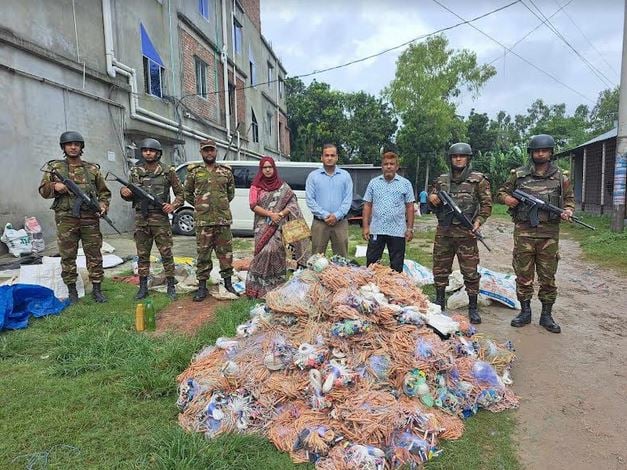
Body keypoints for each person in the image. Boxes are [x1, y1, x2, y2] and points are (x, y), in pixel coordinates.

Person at [498, 134, 575, 333]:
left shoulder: (561, 177)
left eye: (544, 150)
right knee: (523, 274)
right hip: (524, 232)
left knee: (548, 276)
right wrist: (508, 200)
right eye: (536, 151)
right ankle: (525, 312)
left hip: (549, 235)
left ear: (551, 153)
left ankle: (546, 316)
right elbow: (502, 192)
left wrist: (568, 211)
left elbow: (569, 200)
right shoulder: (519, 174)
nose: (540, 154)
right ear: (531, 153)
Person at [39, 131, 111, 304]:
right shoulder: (55, 168)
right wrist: (54, 186)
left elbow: (104, 193)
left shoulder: (92, 169)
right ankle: (72, 290)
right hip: (66, 219)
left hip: (89, 219)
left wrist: (103, 205)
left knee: (94, 254)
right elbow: (43, 190)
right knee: (68, 255)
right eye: (69, 144)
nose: (73, 147)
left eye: (76, 144)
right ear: (63, 147)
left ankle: (97, 289)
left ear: (81, 147)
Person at [428, 143, 492, 324]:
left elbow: (486, 204)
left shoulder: (478, 179)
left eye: (462, 156)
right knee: (440, 269)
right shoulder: (442, 180)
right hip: (445, 232)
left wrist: (478, 222)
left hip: (467, 232)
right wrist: (433, 198)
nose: (458, 159)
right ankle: (439, 302)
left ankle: (473, 307)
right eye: (455, 156)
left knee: (470, 272)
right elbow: (432, 199)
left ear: (468, 158)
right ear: (450, 159)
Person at [120, 138, 184, 300]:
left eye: (151, 150)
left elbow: (181, 194)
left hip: (160, 218)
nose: (148, 153)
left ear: (158, 153)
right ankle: (143, 287)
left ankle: (170, 285)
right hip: (142, 218)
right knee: (142, 254)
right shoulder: (136, 171)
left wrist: (173, 206)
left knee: (166, 253)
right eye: (145, 150)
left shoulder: (168, 171)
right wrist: (124, 193)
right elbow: (130, 193)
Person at [245, 157, 310, 298]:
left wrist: (279, 214)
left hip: (278, 227)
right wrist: (270, 214)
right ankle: (257, 289)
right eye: (264, 167)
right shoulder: (256, 186)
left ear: (274, 168)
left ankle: (277, 287)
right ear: (261, 169)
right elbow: (253, 205)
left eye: (270, 167)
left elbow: (292, 204)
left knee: (276, 252)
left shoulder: (283, 186)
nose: (267, 170)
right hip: (262, 227)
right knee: (263, 253)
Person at [184, 138, 239, 301]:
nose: (209, 153)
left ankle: (228, 283)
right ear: (201, 152)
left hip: (222, 220)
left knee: (226, 254)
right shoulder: (194, 172)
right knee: (203, 254)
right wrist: (201, 204)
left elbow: (231, 193)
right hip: (203, 221)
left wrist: (219, 205)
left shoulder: (226, 171)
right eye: (206, 150)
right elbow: (187, 193)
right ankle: (202, 287)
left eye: (212, 150)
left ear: (216, 151)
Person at [362, 151, 415, 272]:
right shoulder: (373, 183)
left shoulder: (405, 184)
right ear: (382, 166)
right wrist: (365, 227)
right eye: (386, 164)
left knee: (396, 265)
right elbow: (367, 205)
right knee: (372, 263)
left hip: (397, 230)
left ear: (397, 167)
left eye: (392, 164)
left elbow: (410, 207)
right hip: (377, 229)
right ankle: (372, 287)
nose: (389, 166)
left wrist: (410, 229)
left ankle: (394, 288)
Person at [305, 144, 353, 258]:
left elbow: (348, 199)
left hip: (340, 223)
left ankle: (340, 276)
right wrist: (325, 215)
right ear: (321, 157)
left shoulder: (345, 176)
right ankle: (315, 276)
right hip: (320, 223)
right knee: (316, 258)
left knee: (342, 258)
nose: (329, 158)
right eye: (326, 155)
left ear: (337, 157)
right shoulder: (313, 176)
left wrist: (336, 216)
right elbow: (310, 200)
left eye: (332, 155)